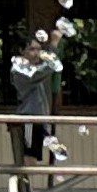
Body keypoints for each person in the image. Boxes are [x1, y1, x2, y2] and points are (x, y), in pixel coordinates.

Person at [9, 29, 61, 161]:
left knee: (33, 159)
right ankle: (17, 180)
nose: (37, 53)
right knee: (29, 160)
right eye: (32, 49)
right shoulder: (19, 69)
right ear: (22, 51)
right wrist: (54, 44)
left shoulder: (33, 69)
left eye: (38, 49)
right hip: (28, 121)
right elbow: (47, 67)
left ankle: (20, 180)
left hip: (38, 121)